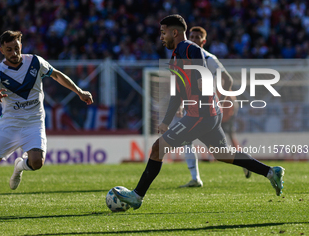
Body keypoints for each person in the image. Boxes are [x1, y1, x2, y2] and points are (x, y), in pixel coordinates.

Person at [112, 14, 284, 210]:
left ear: (174, 32)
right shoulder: (177, 54)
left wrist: (201, 103)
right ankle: (271, 172)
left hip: (201, 114)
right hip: (206, 113)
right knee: (223, 154)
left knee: (158, 148)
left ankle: (137, 196)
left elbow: (203, 76)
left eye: (163, 32)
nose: (161, 37)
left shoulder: (190, 49)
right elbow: (177, 92)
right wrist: (167, 120)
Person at [0, 30, 93, 210]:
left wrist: (80, 92)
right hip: (10, 125)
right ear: (2, 50)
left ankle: (19, 166)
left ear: (21, 46)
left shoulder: (35, 61)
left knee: (37, 163)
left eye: (16, 48)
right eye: (9, 50)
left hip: (34, 122)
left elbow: (56, 74)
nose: (14, 53)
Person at [179, 26, 251, 188]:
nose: (194, 39)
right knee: (191, 140)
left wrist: (222, 100)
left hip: (207, 108)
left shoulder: (208, 58)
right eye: (192, 36)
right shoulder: (186, 58)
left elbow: (228, 80)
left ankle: (247, 163)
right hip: (194, 106)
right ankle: (195, 178)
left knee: (221, 147)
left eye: (198, 37)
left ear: (204, 42)